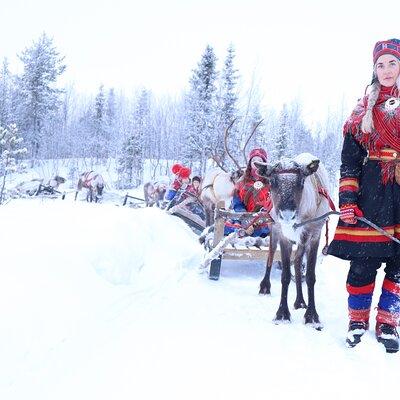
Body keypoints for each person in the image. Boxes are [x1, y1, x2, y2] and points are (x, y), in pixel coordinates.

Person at [328, 39, 400, 353]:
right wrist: (347, 201)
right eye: (380, 64)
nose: (386, 70)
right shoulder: (362, 111)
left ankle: (388, 322)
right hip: (370, 192)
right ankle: (357, 320)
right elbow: (349, 160)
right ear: (374, 69)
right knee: (363, 263)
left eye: (392, 63)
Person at [224, 148, 272, 237]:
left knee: (264, 229)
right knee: (227, 226)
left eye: (259, 160)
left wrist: (255, 223)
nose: (256, 163)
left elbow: (271, 206)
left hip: (263, 220)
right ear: (249, 163)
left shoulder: (271, 183)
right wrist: (246, 220)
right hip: (243, 217)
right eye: (254, 160)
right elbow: (237, 204)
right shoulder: (241, 182)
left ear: (264, 163)